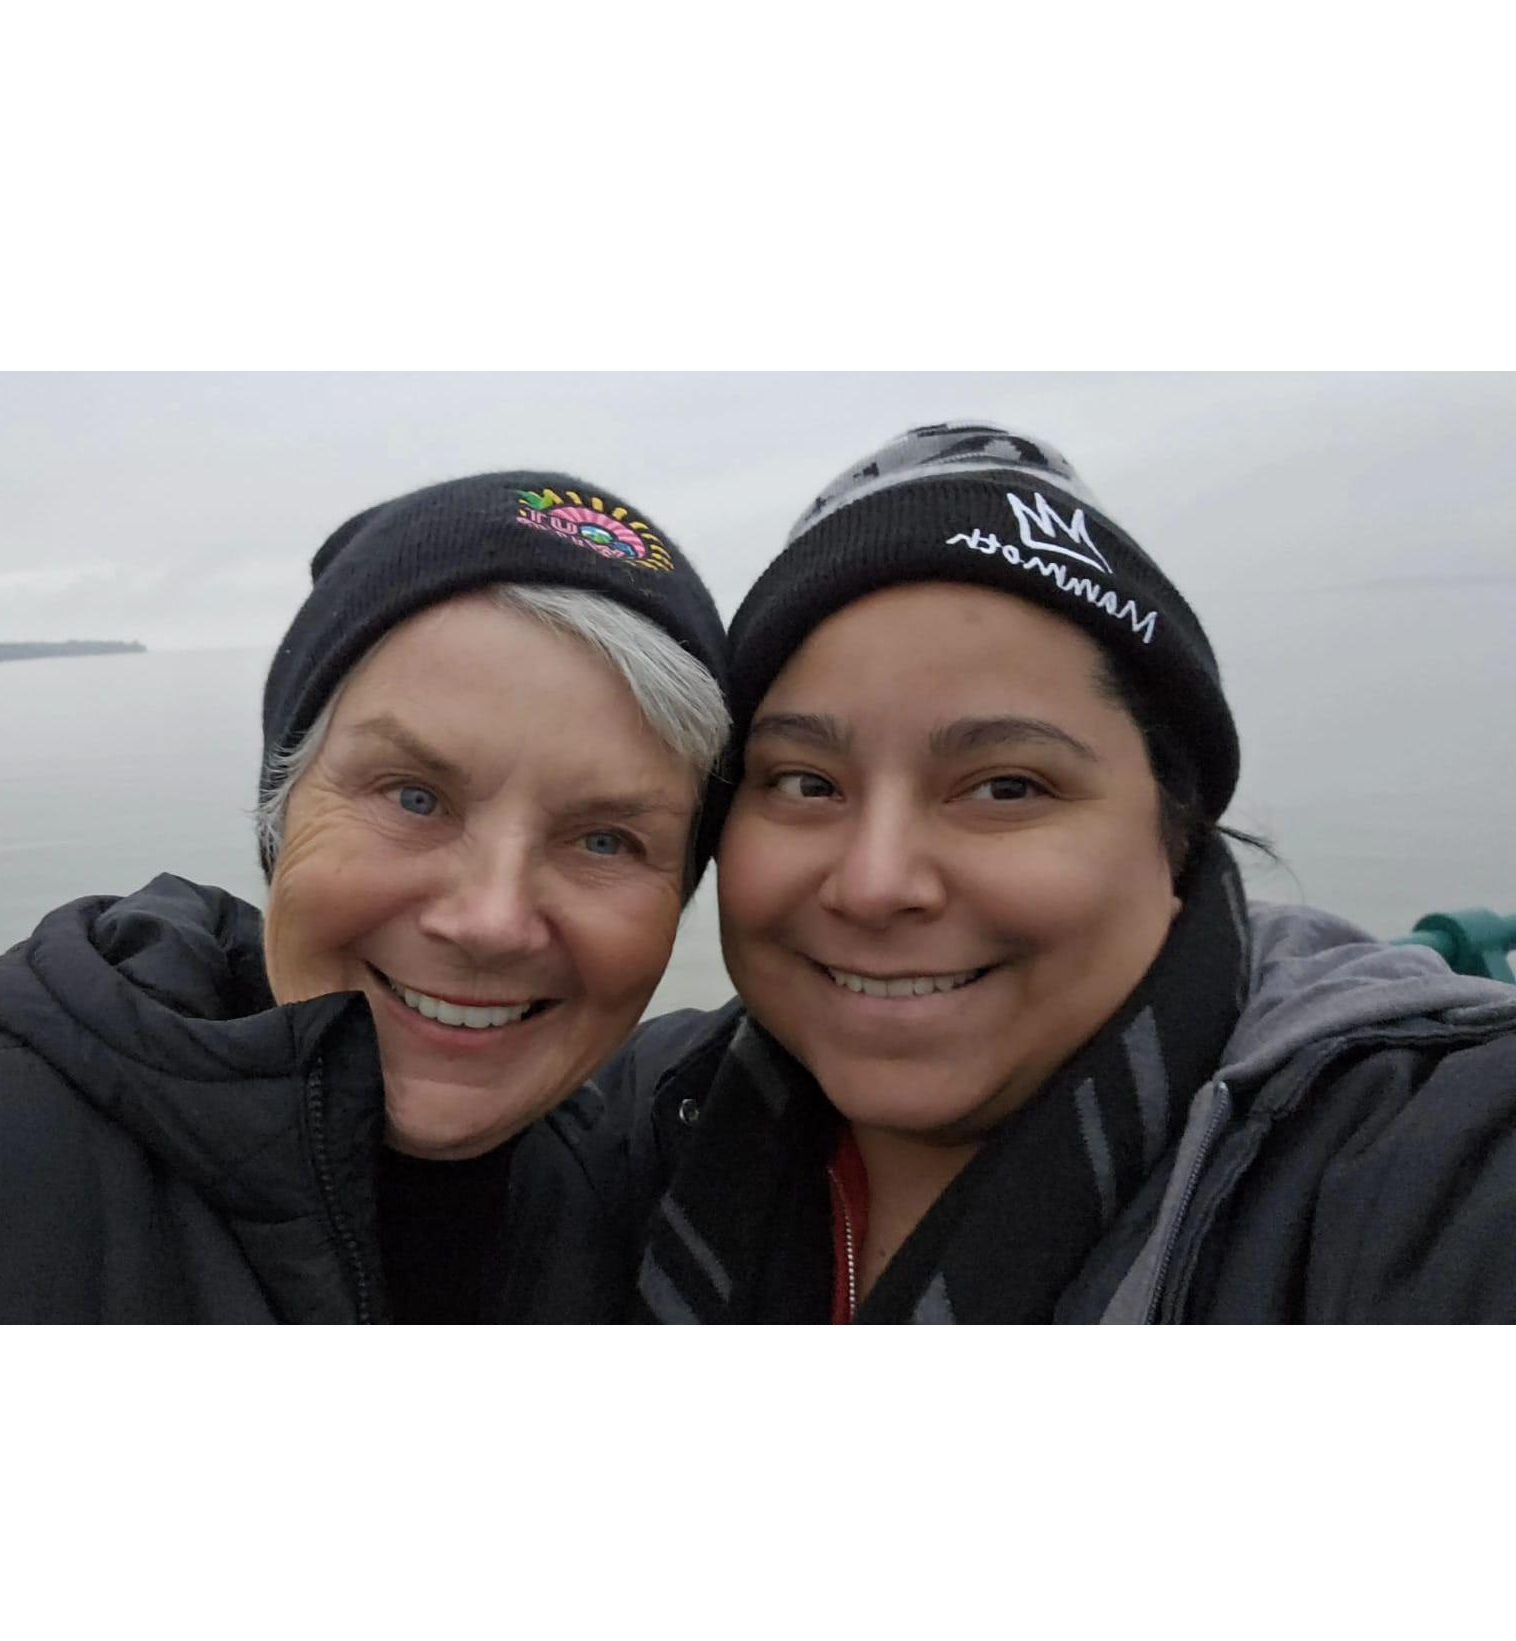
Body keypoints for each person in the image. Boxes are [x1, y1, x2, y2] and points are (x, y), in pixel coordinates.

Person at [601, 425, 1516, 1322]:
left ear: (1177, 829)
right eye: (807, 783)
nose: (875, 885)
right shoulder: (634, 1115)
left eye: (1006, 787)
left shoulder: (1410, 1153)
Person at [0, 471, 729, 1322]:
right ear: (280, 817)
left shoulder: (658, 1199)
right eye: (414, 798)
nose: (489, 921)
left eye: (605, 841)